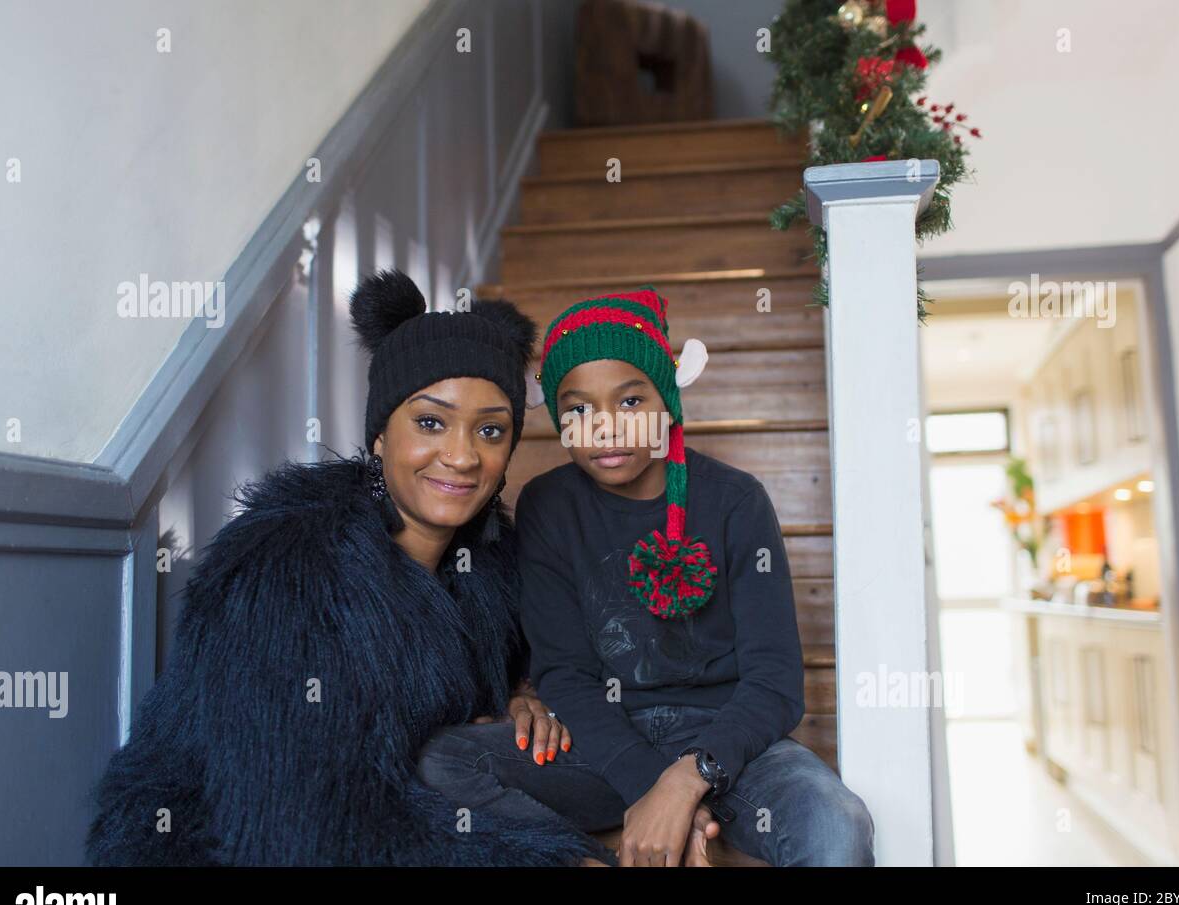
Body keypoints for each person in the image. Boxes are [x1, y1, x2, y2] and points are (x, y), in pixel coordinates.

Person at [84, 268, 609, 866]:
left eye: (490, 429)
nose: (463, 456)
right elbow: (310, 827)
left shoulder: (494, 565)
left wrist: (525, 691)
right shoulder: (293, 569)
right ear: (380, 436)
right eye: (430, 422)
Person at [416, 285, 875, 866]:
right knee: (443, 761)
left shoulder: (736, 502)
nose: (605, 427)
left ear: (668, 403)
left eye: (630, 402)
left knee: (837, 821)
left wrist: (685, 784)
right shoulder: (548, 505)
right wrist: (648, 790)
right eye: (578, 409)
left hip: (731, 750)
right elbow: (565, 674)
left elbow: (776, 684)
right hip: (603, 743)